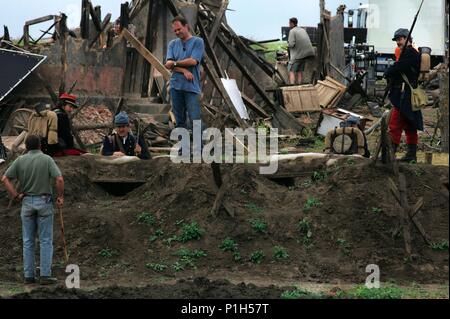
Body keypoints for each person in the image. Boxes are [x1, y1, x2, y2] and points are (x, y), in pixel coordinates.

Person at [1, 135, 64, 285]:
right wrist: (60, 196)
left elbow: (4, 178)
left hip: (27, 202)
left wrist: (16, 195)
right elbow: (59, 179)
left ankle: (29, 275)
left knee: (28, 241)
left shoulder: (20, 160)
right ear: (40, 146)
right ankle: (45, 275)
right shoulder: (47, 159)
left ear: (27, 147)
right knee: (45, 240)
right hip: (44, 202)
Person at [385, 28, 422, 162]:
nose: (398, 42)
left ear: (407, 38)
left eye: (400, 39)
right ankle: (411, 155)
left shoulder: (410, 53)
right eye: (396, 40)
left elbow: (397, 69)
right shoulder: (407, 53)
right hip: (405, 94)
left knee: (395, 124)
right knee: (409, 125)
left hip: (405, 95)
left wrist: (388, 72)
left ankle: (391, 154)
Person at [164, 16, 204, 131]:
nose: (177, 32)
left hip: (191, 88)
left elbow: (193, 61)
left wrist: (175, 64)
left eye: (179, 29)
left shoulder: (198, 42)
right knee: (180, 122)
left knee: (195, 121)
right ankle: (183, 148)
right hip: (175, 87)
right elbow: (167, 64)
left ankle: (198, 149)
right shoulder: (173, 44)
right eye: (175, 31)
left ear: (186, 26)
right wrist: (183, 70)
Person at [287, 17, 315, 85]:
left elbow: (291, 44)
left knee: (291, 71)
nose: (288, 25)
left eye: (289, 23)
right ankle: (300, 85)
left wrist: (287, 45)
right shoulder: (302, 30)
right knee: (299, 71)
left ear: (292, 23)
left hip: (297, 55)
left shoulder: (292, 31)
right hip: (306, 54)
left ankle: (292, 87)